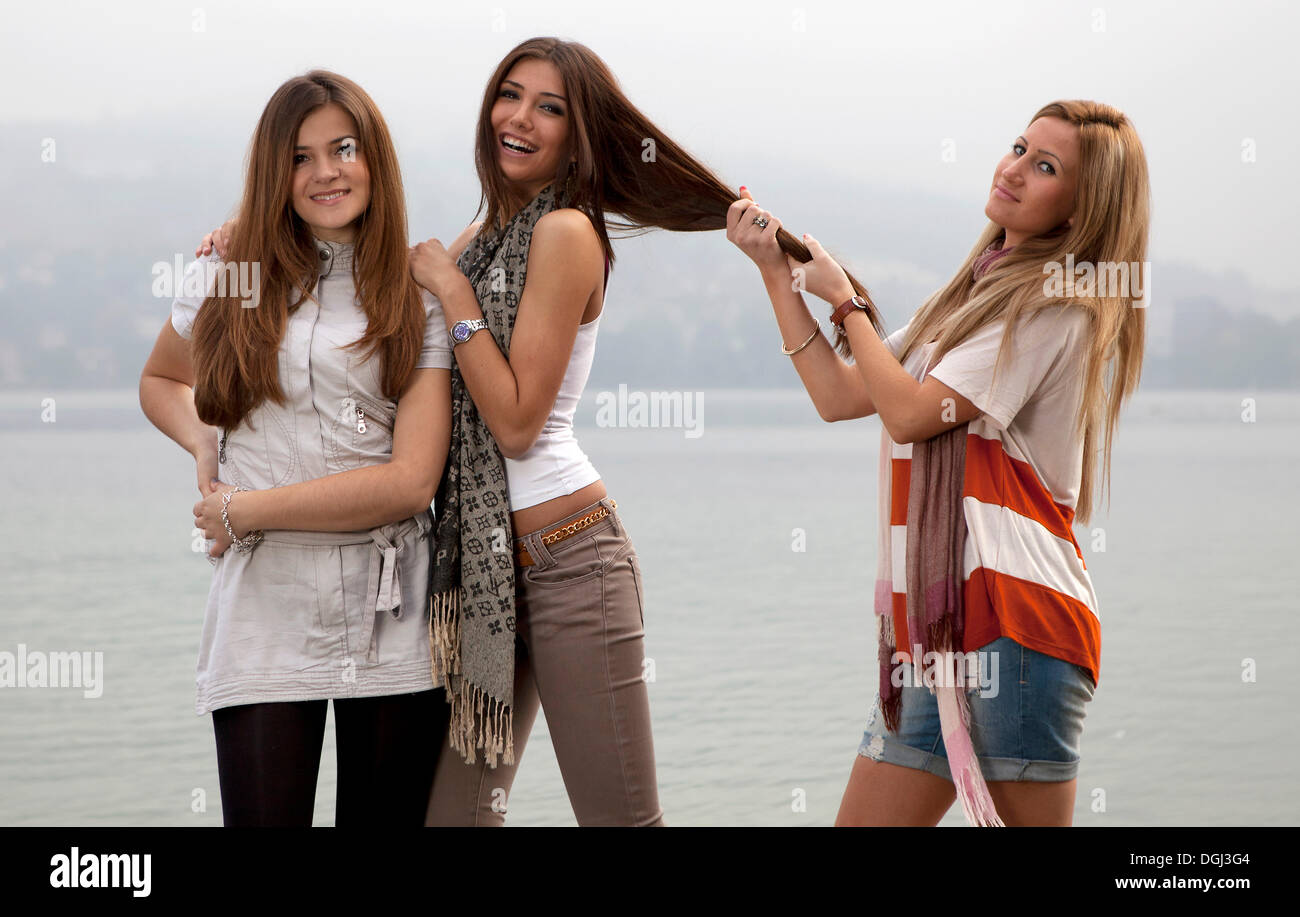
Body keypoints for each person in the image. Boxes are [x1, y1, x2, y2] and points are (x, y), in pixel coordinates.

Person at [727, 100, 1149, 826]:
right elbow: (842, 395)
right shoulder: (964, 300)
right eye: (1019, 147)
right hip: (936, 635)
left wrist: (848, 307)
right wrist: (776, 274)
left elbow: (914, 412)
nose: (1013, 168)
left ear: (1082, 212)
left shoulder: (1060, 305)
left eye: (1044, 166)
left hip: (1018, 630)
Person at [141, 70, 468, 826]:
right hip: (264, 606)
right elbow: (161, 378)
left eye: (344, 149)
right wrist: (203, 446)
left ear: (373, 158)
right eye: (300, 156)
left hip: (392, 610)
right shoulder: (232, 273)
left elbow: (410, 483)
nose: (326, 172)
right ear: (274, 173)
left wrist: (242, 509)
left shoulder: (417, 297)